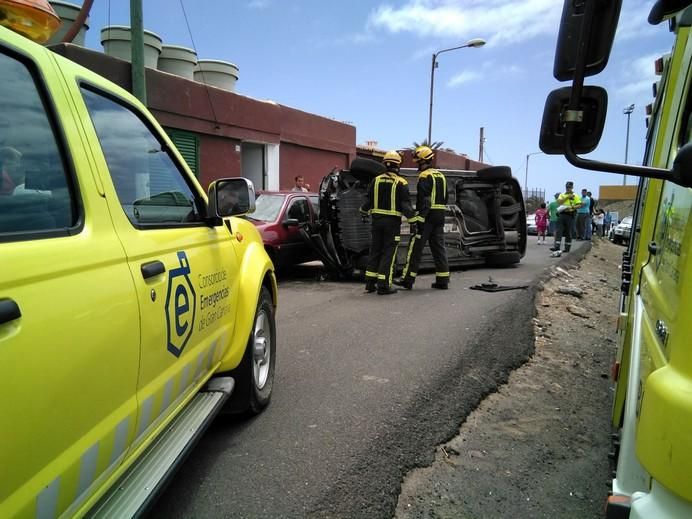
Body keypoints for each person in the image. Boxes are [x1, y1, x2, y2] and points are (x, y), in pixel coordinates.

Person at [359, 150, 416, 295]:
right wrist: (414, 221)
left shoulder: (375, 180)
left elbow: (367, 202)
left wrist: (363, 213)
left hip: (376, 223)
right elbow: (406, 206)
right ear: (398, 165)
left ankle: (370, 284)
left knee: (375, 252)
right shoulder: (401, 182)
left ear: (385, 164)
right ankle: (384, 285)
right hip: (392, 224)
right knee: (388, 254)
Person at [394, 145, 449, 290]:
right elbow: (445, 198)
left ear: (423, 161)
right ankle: (443, 280)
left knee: (415, 248)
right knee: (439, 248)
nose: (417, 164)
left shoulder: (425, 176)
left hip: (428, 216)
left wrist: (420, 218)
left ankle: (407, 280)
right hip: (440, 216)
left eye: (418, 161)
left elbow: (425, 200)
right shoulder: (441, 176)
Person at [550, 181, 581, 253]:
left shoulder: (575, 195)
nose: (568, 188)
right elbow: (559, 202)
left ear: (572, 187)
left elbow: (579, 205)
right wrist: (567, 197)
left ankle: (567, 248)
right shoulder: (562, 194)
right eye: (567, 187)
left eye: (569, 187)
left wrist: (572, 207)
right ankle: (556, 247)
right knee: (559, 231)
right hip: (561, 214)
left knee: (568, 232)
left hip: (570, 215)